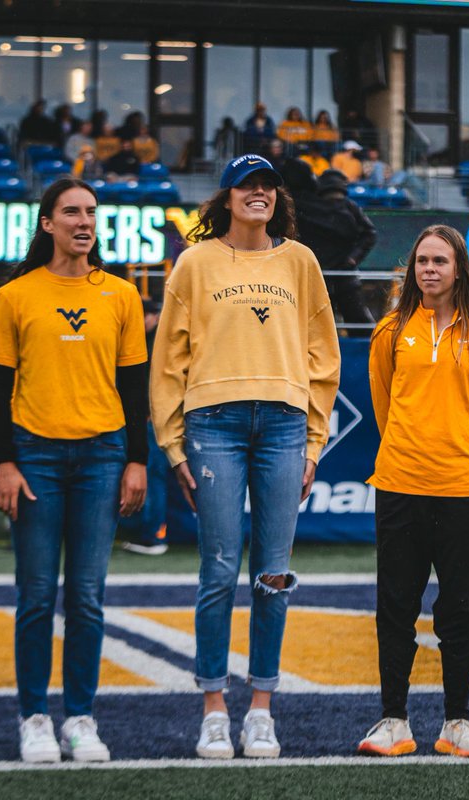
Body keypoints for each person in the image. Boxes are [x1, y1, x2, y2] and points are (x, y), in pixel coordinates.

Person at [150, 154, 340, 760]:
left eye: (266, 187)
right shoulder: (196, 263)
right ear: (226, 196)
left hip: (285, 425)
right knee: (217, 570)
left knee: (272, 575)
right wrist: (172, 444)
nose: (257, 194)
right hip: (213, 424)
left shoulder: (301, 261)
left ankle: (261, 708)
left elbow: (323, 357)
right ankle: (212, 709)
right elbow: (168, 360)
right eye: (245, 186)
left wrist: (314, 442)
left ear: (276, 198)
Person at [0, 177, 149, 763]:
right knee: (35, 594)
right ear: (47, 223)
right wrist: (4, 462)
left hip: (103, 456)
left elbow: (134, 388)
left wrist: (136, 461)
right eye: (70, 211)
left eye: (91, 212)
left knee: (88, 596)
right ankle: (33, 718)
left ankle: (80, 718)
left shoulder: (121, 296)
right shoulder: (16, 295)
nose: (83, 221)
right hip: (36, 458)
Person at [357, 224, 469, 759]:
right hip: (399, 483)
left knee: (461, 609)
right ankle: (393, 720)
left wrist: (461, 451)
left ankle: (457, 723)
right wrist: (411, 448)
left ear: (458, 268)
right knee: (395, 606)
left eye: (439, 261)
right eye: (421, 260)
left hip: (462, 487)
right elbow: (383, 404)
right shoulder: (390, 332)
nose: (428, 269)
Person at [295, 169, 377, 334]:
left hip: (343, 274)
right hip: (320, 274)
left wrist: (352, 259)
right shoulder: (308, 207)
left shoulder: (349, 207)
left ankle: (368, 356)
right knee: (319, 324)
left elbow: (369, 233)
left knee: (358, 322)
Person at [120, 299, 170, 556]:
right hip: (152, 418)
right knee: (151, 476)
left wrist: (151, 413)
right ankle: (149, 531)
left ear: (152, 316)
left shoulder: (160, 341)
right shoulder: (155, 338)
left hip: (154, 419)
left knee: (152, 477)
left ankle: (153, 535)